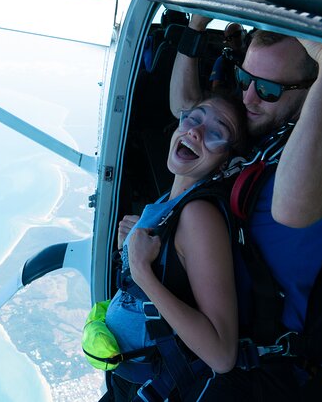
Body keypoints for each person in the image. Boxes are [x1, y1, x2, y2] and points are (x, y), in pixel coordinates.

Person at [170, 14, 322, 400]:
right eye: (244, 78)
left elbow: (293, 209)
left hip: (263, 367)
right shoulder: (263, 119)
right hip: (209, 330)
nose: (248, 97)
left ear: (313, 88)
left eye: (267, 88)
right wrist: (195, 29)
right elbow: (183, 110)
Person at [104, 94, 247, 401]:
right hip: (129, 379)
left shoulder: (199, 217)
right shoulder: (166, 202)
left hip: (157, 388)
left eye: (217, 132)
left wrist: (142, 271)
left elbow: (222, 356)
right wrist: (126, 254)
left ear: (228, 161)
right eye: (194, 118)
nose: (195, 131)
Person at [209, 22, 248, 93]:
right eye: (229, 38)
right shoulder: (223, 60)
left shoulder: (256, 56)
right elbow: (215, 89)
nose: (234, 40)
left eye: (236, 35)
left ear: (245, 33)